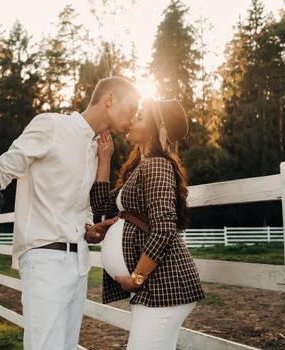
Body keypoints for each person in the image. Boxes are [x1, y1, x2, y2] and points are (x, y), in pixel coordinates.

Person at [0, 76, 141, 350]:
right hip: (45, 259)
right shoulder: (52, 126)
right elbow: (2, 170)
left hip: (80, 263)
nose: (134, 116)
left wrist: (89, 228)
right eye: (132, 107)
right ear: (110, 99)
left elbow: (81, 205)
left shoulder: (96, 147)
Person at [90, 98, 205, 350]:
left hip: (165, 285)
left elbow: (164, 228)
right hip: (155, 287)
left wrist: (138, 278)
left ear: (158, 127)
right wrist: (104, 160)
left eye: (140, 118)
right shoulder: (140, 167)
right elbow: (100, 205)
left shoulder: (157, 165)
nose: (132, 120)